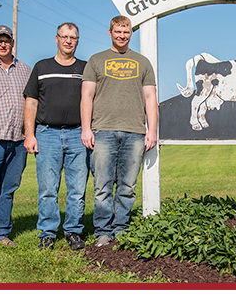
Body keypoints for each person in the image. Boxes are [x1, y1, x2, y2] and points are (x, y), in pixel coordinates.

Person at [81, 15, 157, 247]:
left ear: (131, 33)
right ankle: (103, 231)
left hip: (134, 131)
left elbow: (150, 97)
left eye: (126, 32)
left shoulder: (142, 62)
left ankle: (121, 228)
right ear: (110, 32)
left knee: (127, 185)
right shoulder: (96, 60)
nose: (122, 36)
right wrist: (86, 128)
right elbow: (87, 96)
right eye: (118, 32)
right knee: (102, 185)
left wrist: (151, 130)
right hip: (103, 130)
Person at [23, 23, 90, 250]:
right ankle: (48, 233)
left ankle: (73, 231)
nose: (68, 41)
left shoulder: (85, 68)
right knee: (48, 190)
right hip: (47, 133)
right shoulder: (42, 67)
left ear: (77, 41)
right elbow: (31, 102)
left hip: (77, 134)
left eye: (73, 37)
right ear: (56, 39)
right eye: (64, 37)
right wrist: (29, 135)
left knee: (77, 190)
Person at [0, 25, 32, 246]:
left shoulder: (25, 69)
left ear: (12, 43)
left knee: (9, 188)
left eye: (7, 41)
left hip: (18, 140)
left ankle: (1, 233)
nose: (3, 44)